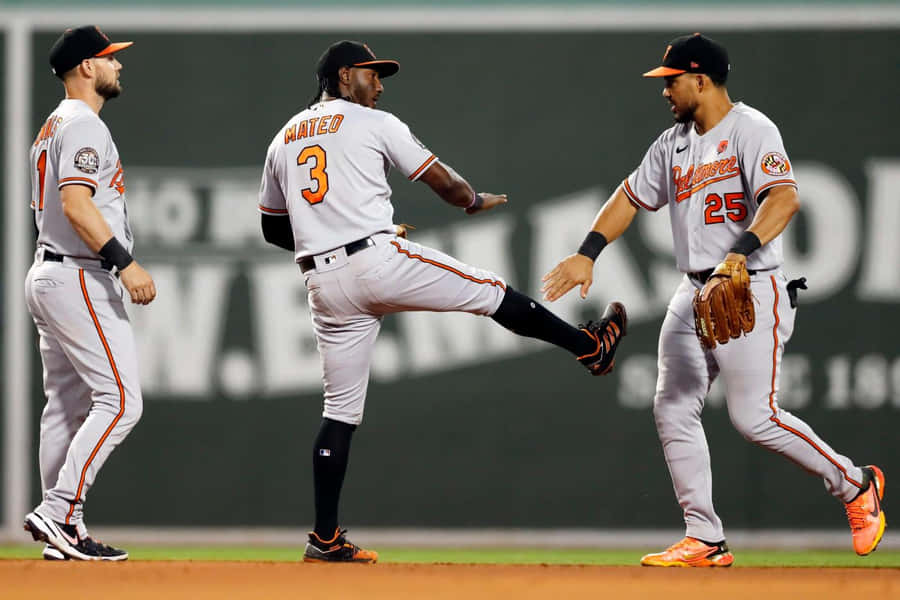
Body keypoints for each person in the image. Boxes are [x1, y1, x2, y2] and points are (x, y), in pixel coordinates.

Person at [258, 40, 628, 563]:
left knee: (339, 412)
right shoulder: (374, 123)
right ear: (344, 77)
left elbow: (274, 229)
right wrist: (473, 201)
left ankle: (323, 538)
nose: (379, 85)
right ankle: (590, 348)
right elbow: (447, 185)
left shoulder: (283, 137)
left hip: (322, 283)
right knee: (492, 292)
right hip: (375, 261)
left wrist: (335, 236)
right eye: (371, 74)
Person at [542, 33, 885, 566]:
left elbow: (785, 199)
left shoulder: (751, 128)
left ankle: (856, 484)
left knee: (755, 418)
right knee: (672, 404)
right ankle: (704, 536)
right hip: (694, 289)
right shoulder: (672, 143)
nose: (664, 91)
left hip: (752, 285)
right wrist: (588, 252)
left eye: (671, 81)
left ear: (700, 80)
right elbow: (628, 197)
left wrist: (740, 254)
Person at [22, 25, 156, 562]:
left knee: (65, 407)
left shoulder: (54, 124)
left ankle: (67, 530)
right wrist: (124, 263)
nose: (116, 65)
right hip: (79, 273)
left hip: (49, 272)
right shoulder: (81, 124)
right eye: (107, 58)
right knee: (121, 401)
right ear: (84, 68)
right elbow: (78, 206)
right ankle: (58, 512)